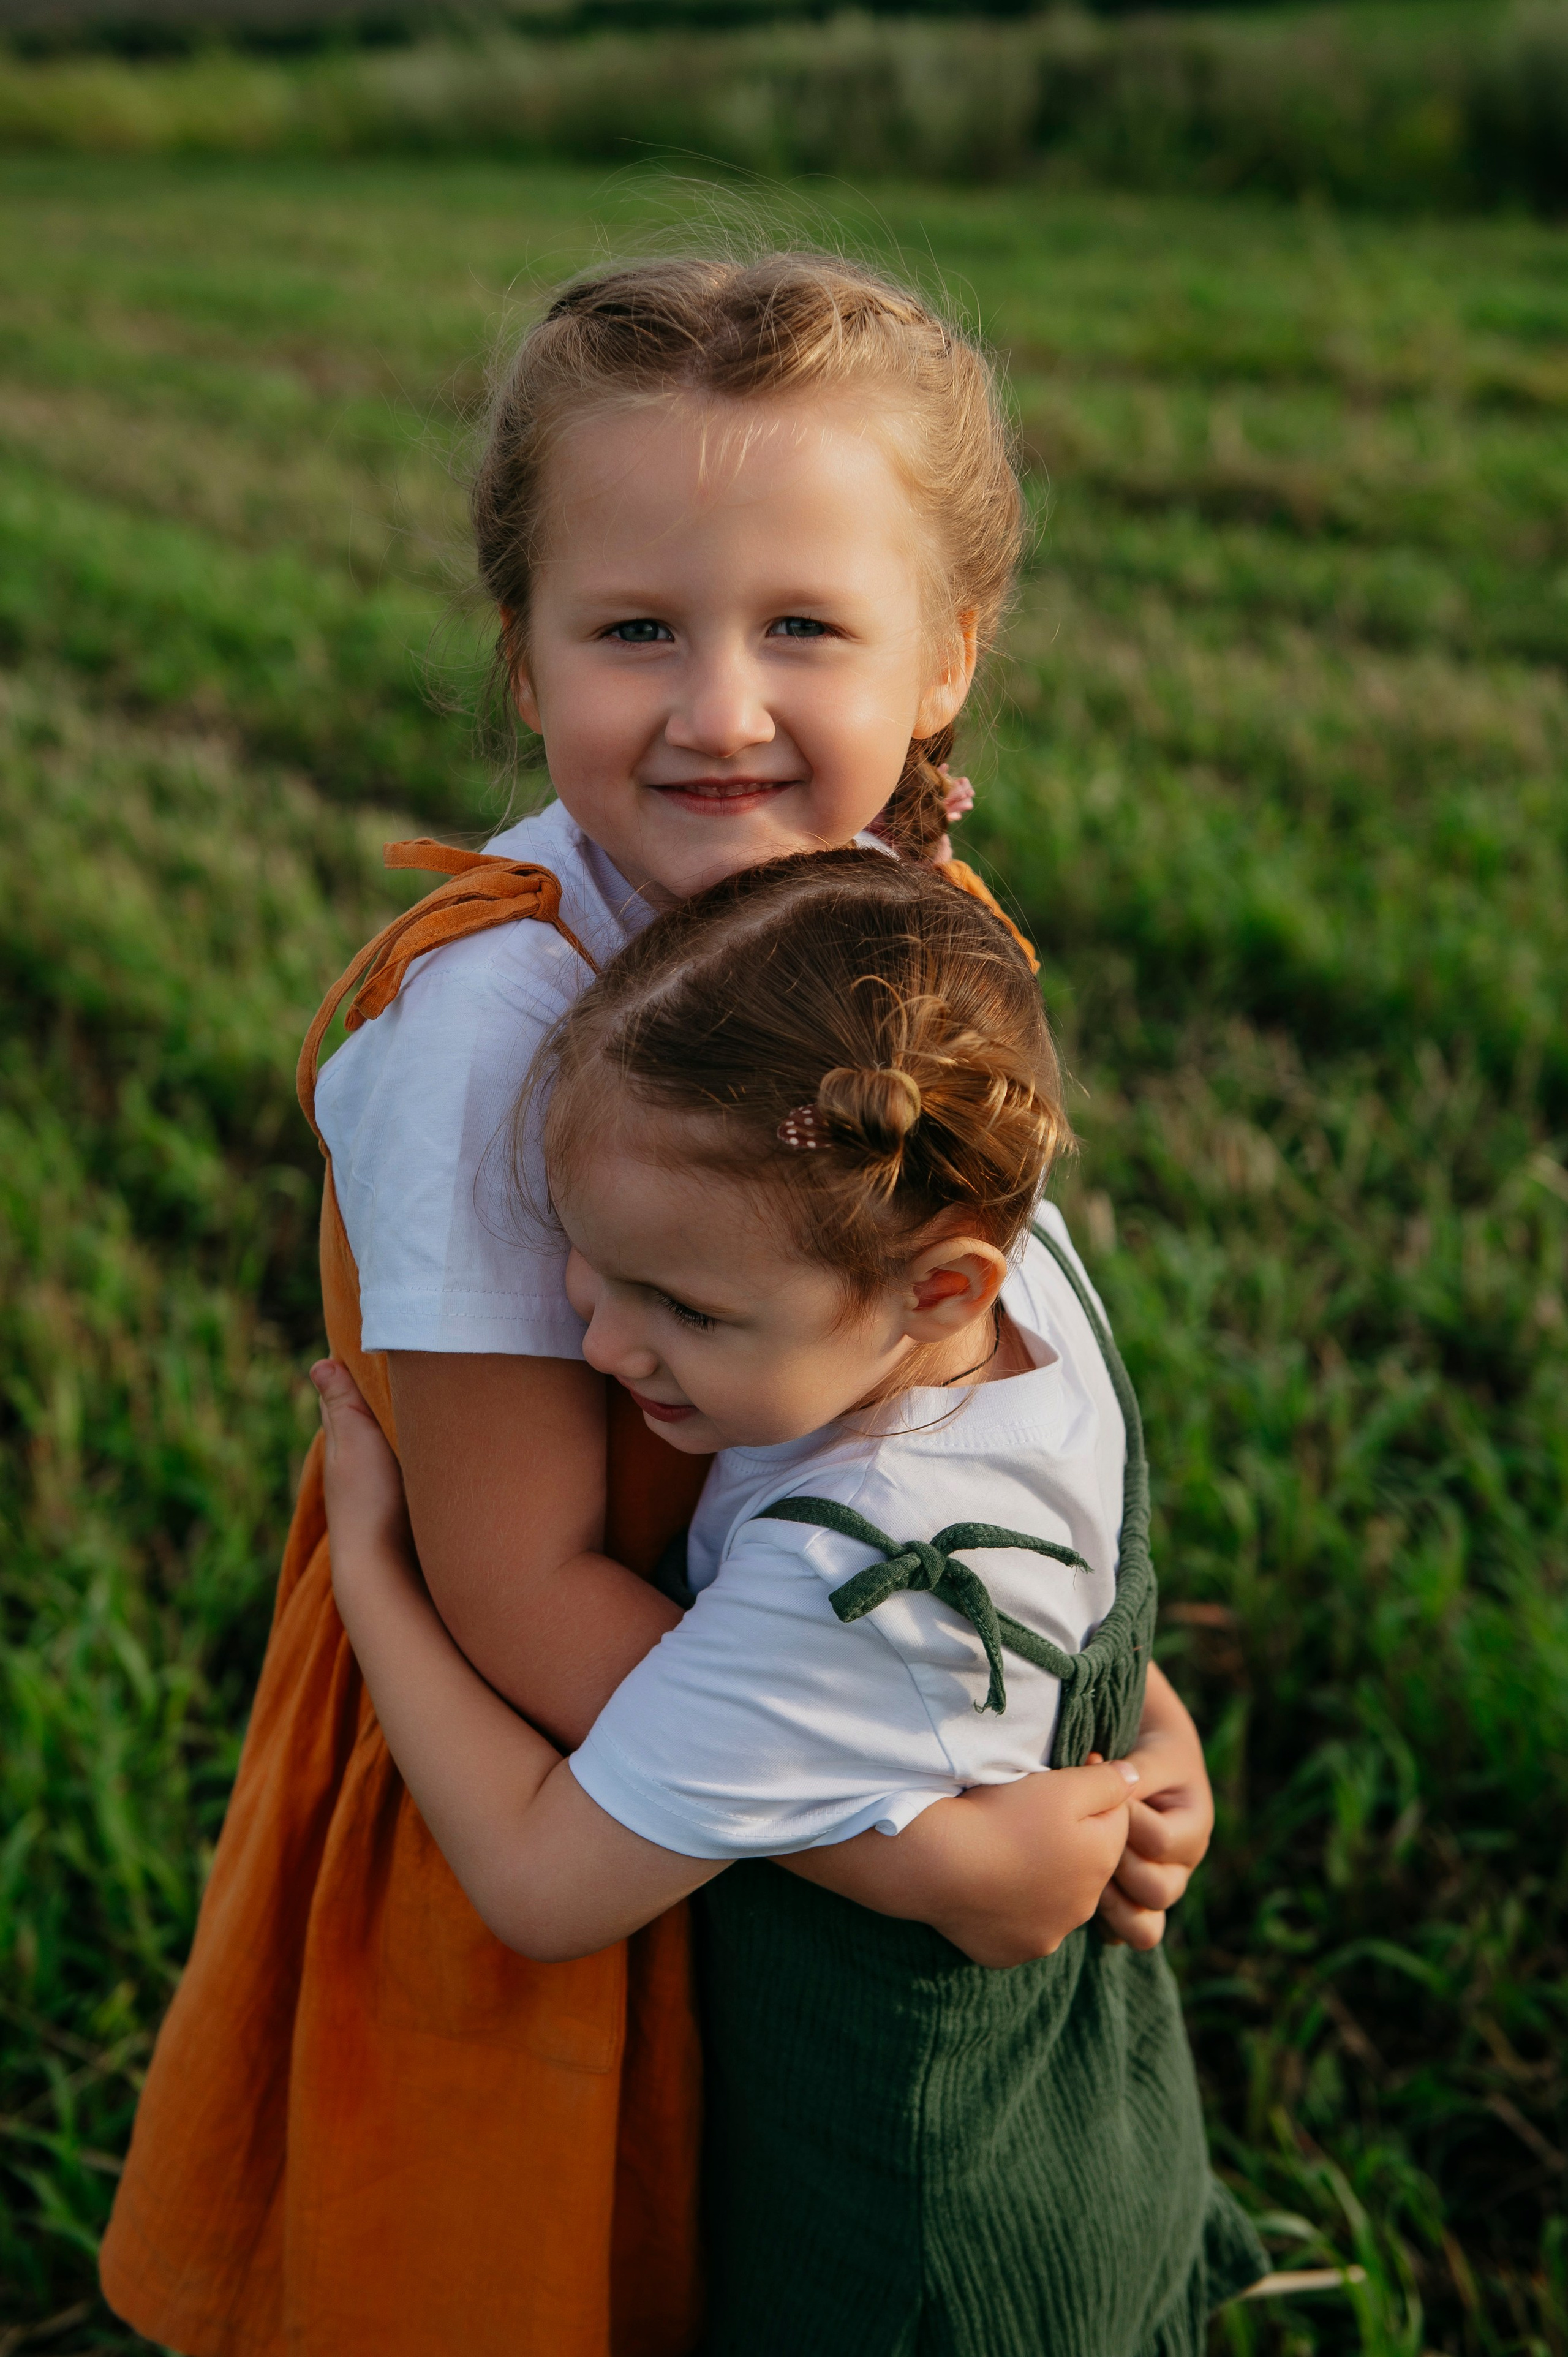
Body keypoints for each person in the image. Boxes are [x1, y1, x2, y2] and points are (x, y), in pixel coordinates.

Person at [101, 252, 1213, 2357]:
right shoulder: (489, 1033)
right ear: (523, 659)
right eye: (634, 630)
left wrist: (1105, 1711)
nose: (719, 705)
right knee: (564, 2264)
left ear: (950, 653)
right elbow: (518, 1591)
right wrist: (921, 1843)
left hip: (781, 1699)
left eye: (805, 624)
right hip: (571, 1764)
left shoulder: (901, 934)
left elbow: (965, 1376)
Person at [314, 850, 1268, 2356]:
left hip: (906, 2224)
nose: (606, 1344)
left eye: (688, 1310)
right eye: (593, 1265)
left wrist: (376, 1569)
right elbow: (1076, 1567)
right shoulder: (1034, 1285)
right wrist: (1145, 1704)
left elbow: (539, 1882)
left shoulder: (851, 1575)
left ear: (935, 1289)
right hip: (1090, 2115)